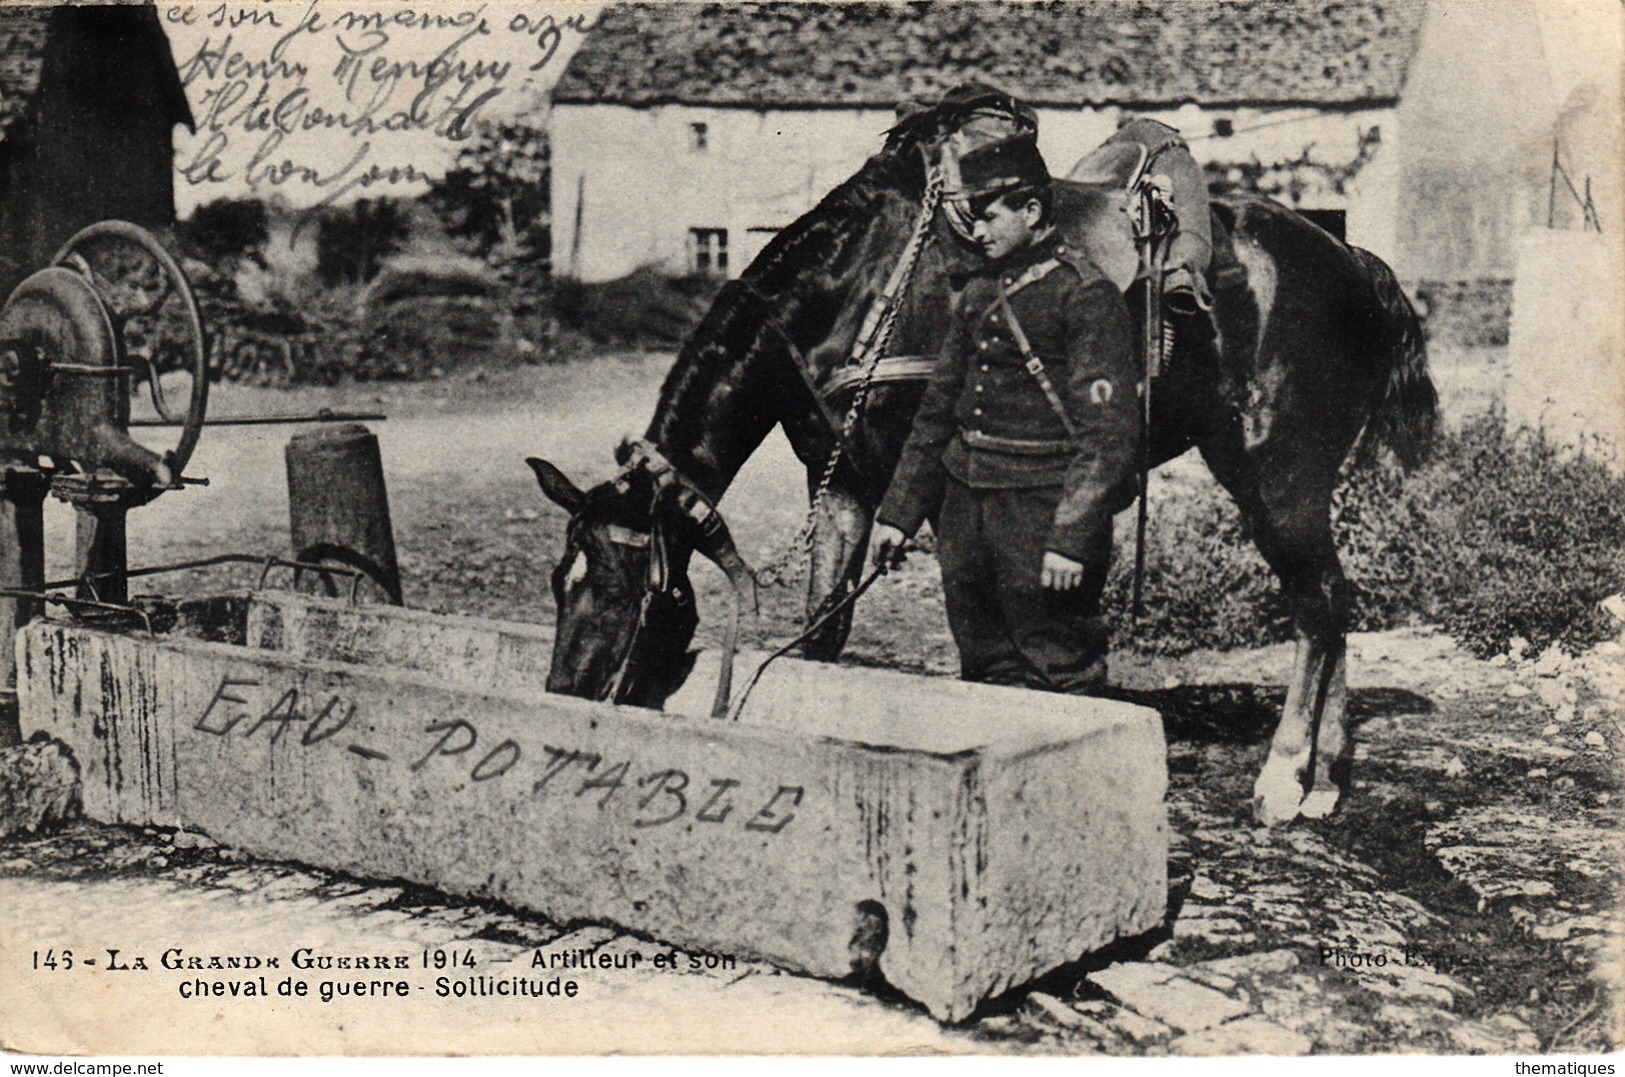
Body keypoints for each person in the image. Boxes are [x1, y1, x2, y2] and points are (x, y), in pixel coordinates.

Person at [871, 133, 1141, 693]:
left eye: (988, 216)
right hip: (965, 507)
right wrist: (899, 512)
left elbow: (1108, 437)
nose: (976, 230)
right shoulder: (978, 292)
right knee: (984, 662)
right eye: (971, 218)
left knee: (1058, 663)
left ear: (1033, 210)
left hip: (1040, 508)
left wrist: (1070, 537)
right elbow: (937, 413)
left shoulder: (1085, 295)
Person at [1070, 115, 1214, 313]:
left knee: (1175, 169)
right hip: (1130, 151)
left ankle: (1183, 266)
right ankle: (1183, 268)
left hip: (1150, 148)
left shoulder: (1164, 149)